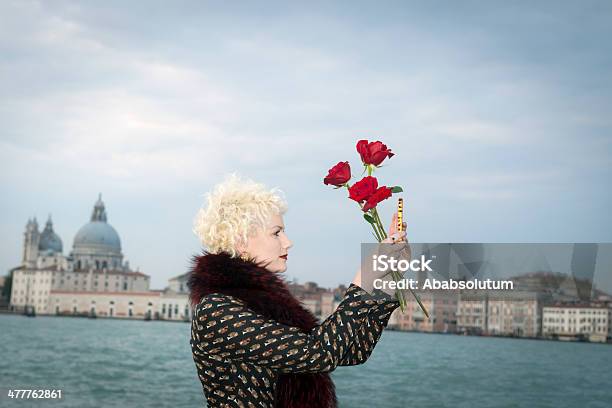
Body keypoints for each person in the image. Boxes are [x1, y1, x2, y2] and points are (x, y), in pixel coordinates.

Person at [188, 174, 408, 408]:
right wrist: (363, 279)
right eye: (276, 232)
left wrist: (386, 279)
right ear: (241, 241)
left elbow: (351, 351)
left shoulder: (270, 304)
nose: (288, 241)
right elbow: (320, 354)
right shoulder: (217, 310)